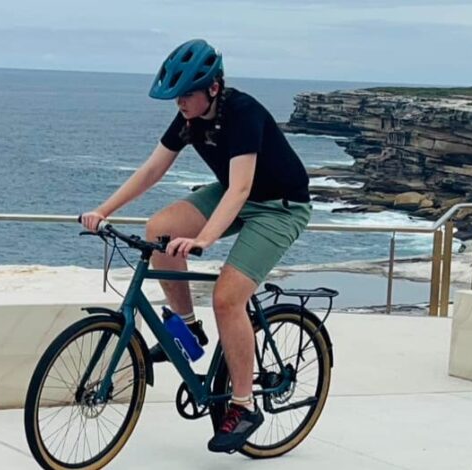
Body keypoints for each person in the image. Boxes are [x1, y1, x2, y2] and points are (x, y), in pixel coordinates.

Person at [80, 39, 312, 451]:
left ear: (214, 88)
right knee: (159, 229)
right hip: (234, 193)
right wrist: (103, 210)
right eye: (177, 95)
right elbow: (152, 170)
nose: (180, 102)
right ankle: (187, 331)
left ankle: (244, 405)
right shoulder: (189, 118)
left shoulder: (243, 113)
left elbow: (241, 189)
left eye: (187, 94)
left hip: (279, 207)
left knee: (227, 298)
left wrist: (204, 239)